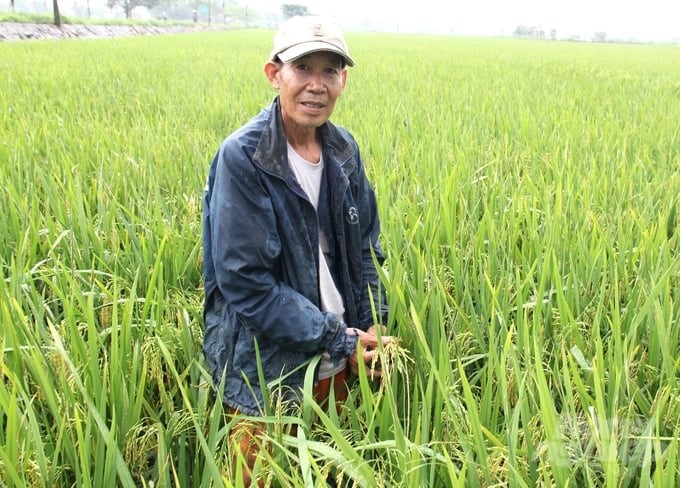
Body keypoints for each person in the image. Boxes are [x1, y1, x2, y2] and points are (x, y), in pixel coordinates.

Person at [202, 15, 393, 484]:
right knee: (259, 477)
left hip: (339, 358)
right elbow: (247, 285)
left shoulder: (344, 151)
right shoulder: (243, 158)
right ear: (275, 73)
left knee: (333, 471)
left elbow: (367, 249)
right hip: (264, 372)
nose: (316, 84)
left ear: (343, 80)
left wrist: (370, 324)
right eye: (303, 67)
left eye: (330, 70)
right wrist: (340, 339)